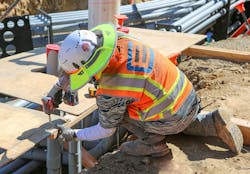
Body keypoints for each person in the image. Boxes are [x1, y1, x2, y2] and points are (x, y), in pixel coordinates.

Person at [43, 23, 243, 157]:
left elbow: (105, 130)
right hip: (187, 95)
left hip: (171, 116)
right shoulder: (121, 40)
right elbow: (86, 62)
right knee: (165, 110)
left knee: (115, 116)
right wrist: (57, 88)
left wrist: (73, 134)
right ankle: (211, 122)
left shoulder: (110, 91)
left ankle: (152, 143)